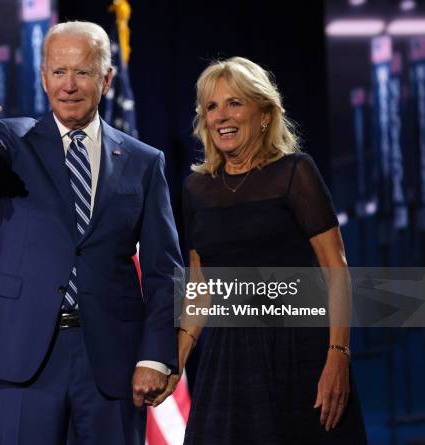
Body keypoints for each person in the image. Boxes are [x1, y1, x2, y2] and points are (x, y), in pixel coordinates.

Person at [0, 21, 183, 445]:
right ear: (43, 77)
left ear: (106, 79)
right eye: (58, 72)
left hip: (112, 357)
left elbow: (165, 271)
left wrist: (155, 355)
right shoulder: (12, 142)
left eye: (82, 72)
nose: (69, 86)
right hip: (27, 352)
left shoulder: (144, 162)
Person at [156, 57, 367, 444]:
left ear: (265, 113)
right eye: (212, 106)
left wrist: (338, 355)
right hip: (229, 358)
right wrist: (176, 360)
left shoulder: (295, 173)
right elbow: (201, 288)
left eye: (234, 103)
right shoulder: (196, 190)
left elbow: (336, 269)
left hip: (299, 352)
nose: (221, 115)